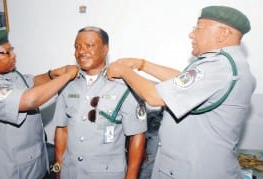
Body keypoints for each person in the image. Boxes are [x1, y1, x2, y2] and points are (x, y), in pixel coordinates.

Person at [107, 5, 256, 179]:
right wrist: (142, 64)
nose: (191, 34)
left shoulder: (219, 66)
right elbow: (184, 81)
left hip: (195, 171)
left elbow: (155, 97)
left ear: (222, 33)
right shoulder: (229, 66)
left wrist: (124, 71)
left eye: (198, 29)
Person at [0, 30, 79, 179]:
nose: (14, 55)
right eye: (7, 52)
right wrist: (67, 76)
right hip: (8, 170)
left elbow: (30, 82)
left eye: (11, 49)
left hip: (33, 164)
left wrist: (53, 74)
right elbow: (29, 100)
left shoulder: (8, 74)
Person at [53, 26, 147, 179]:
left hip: (106, 174)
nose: (81, 51)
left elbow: (137, 136)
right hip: (71, 172)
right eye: (77, 46)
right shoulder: (67, 83)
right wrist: (59, 169)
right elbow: (62, 129)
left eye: (89, 45)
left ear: (105, 49)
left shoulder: (124, 86)